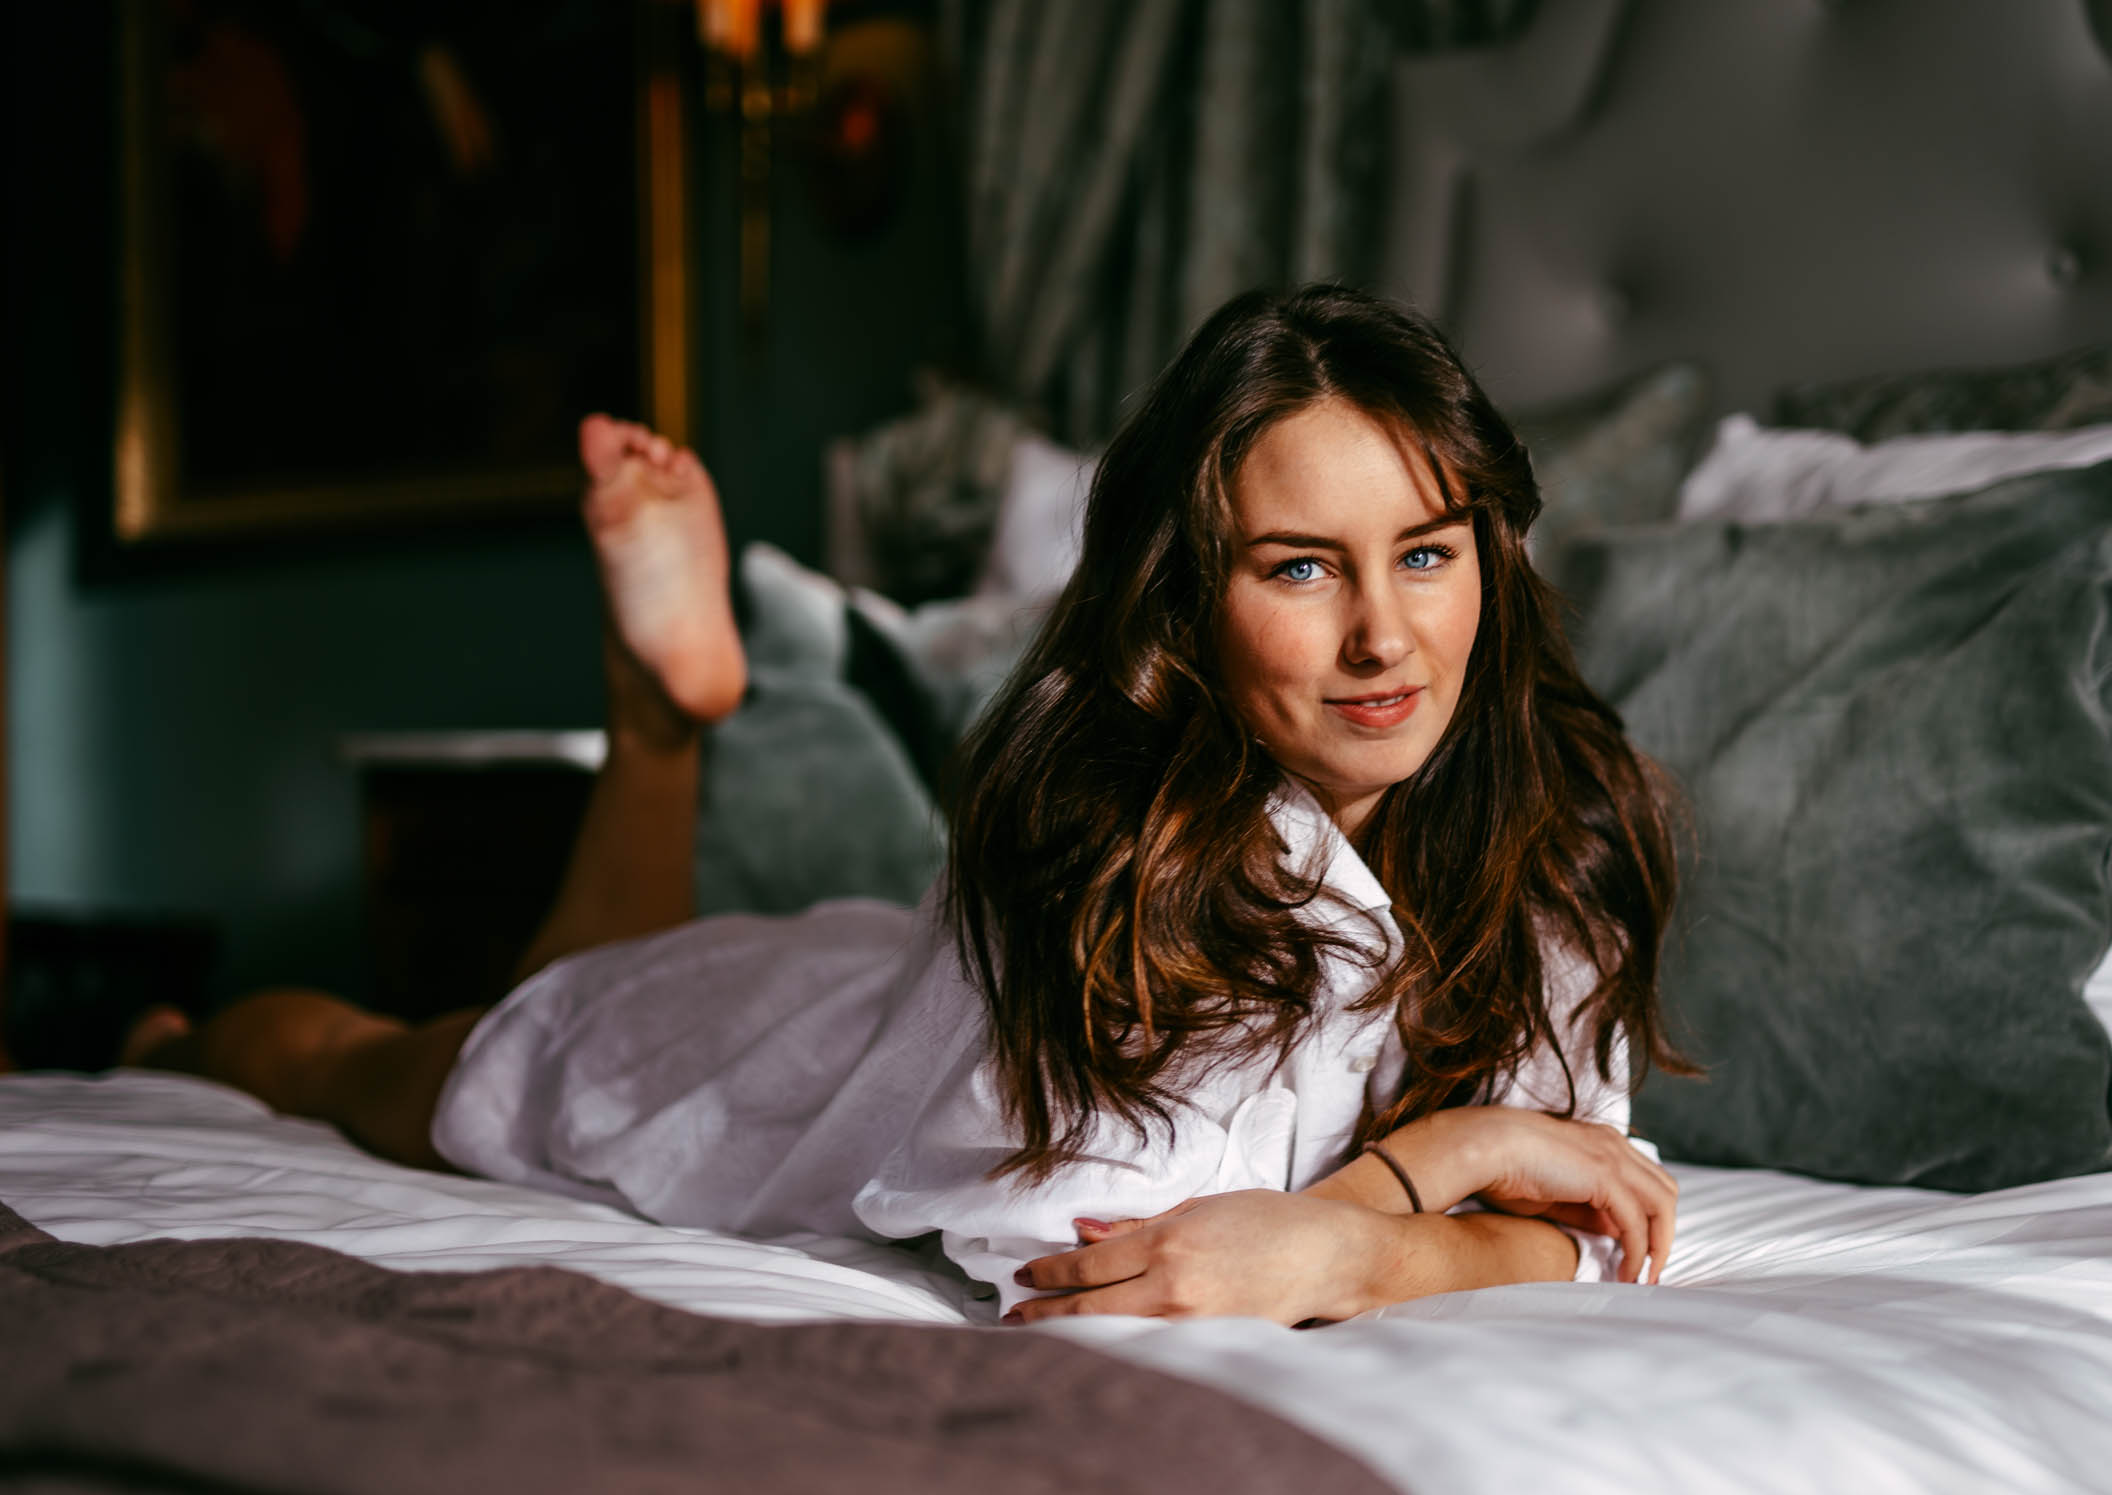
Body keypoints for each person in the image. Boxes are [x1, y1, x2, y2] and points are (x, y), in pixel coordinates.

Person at [133, 284, 1690, 1325]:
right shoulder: (1112, 854)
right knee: (393, 1057)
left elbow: (1574, 1215)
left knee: (547, 974)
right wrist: (1420, 1186)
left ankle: (662, 725)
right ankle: (172, 1035)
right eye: (1301, 565)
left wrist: (1374, 1226)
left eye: (1428, 551)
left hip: (890, 992)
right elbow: (1126, 1280)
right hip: (772, 1072)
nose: (1386, 638)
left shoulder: (1547, 833)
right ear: (1185, 601)